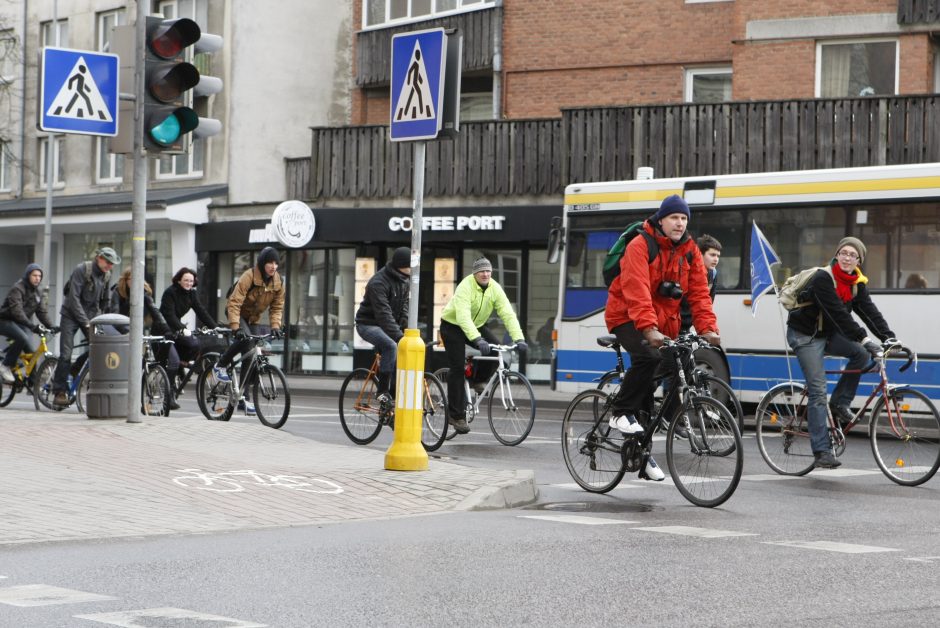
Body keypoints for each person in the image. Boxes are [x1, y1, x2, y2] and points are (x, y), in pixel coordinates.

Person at [605, 195, 720, 481]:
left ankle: (639, 455)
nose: (679, 223)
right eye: (674, 218)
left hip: (661, 322)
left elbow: (699, 294)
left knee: (678, 362)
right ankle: (619, 412)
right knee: (647, 358)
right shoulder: (640, 245)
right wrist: (647, 328)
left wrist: (708, 328)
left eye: (684, 219)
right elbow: (636, 289)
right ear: (662, 219)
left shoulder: (690, 251)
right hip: (627, 316)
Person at [786, 237, 897, 469]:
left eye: (853, 255)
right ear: (837, 254)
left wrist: (889, 336)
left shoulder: (856, 283)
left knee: (862, 355)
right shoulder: (823, 279)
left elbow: (869, 311)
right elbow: (839, 314)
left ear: (859, 261)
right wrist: (865, 338)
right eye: (844, 253)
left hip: (828, 334)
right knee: (818, 390)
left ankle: (839, 403)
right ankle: (822, 451)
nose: (847, 258)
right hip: (805, 336)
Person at [439, 257, 527, 435]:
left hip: (476, 325)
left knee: (496, 349)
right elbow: (463, 317)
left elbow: (507, 313)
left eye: (488, 271)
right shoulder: (465, 286)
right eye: (481, 271)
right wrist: (477, 339)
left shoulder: (495, 288)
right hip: (452, 325)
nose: (485, 274)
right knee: (457, 367)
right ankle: (456, 416)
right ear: (475, 273)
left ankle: (478, 380)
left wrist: (519, 338)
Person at [214, 246, 286, 416]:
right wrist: (235, 327)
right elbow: (234, 302)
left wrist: (275, 326)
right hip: (236, 312)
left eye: (276, 263)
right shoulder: (249, 276)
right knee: (246, 340)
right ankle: (221, 365)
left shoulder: (278, 282)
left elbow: (277, 307)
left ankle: (243, 397)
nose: (273, 266)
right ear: (262, 263)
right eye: (270, 262)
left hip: (253, 318)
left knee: (251, 353)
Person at [53, 247, 120, 407]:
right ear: (99, 258)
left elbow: (105, 301)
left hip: (90, 316)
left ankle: (74, 370)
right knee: (66, 354)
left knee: (98, 348)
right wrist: (85, 321)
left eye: (112, 264)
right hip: (71, 315)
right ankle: (59, 392)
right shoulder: (82, 269)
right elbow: (73, 298)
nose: (110, 266)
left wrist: (104, 318)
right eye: (108, 262)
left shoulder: (107, 275)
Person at [109, 268, 179, 410]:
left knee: (141, 363)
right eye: (131, 280)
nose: (135, 283)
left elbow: (156, 313)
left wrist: (166, 329)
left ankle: (140, 400)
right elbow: (115, 315)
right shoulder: (117, 293)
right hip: (116, 328)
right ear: (125, 280)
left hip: (134, 331)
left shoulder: (144, 294)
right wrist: (128, 330)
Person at [354, 247, 411, 404]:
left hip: (387, 325)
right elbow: (383, 315)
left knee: (402, 351)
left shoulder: (404, 280)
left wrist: (405, 326)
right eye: (411, 265)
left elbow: (405, 304)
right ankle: (383, 391)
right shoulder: (378, 282)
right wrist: (399, 336)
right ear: (401, 265)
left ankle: (391, 404)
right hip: (368, 324)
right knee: (391, 345)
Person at [160, 267, 220, 400]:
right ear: (179, 280)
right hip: (163, 330)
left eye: (191, 281)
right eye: (186, 280)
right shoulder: (170, 292)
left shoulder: (191, 294)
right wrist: (181, 328)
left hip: (177, 330)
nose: (188, 283)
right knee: (173, 362)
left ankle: (182, 365)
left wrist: (215, 327)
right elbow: (168, 315)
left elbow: (201, 311)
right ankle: (168, 397)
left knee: (195, 344)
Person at [0, 263, 57, 384]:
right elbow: (17, 312)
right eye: (34, 275)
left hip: (21, 324)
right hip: (5, 321)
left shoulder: (38, 292)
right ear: (28, 275)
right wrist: (32, 326)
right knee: (23, 337)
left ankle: (32, 383)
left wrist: (52, 326)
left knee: (32, 353)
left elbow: (41, 312)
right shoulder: (18, 288)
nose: (37, 278)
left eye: (39, 276)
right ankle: (5, 365)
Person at [680, 234, 721, 333]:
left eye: (718, 256)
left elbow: (707, 305)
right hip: (673, 323)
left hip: (687, 325)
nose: (716, 259)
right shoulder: (686, 270)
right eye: (712, 255)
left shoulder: (713, 274)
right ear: (700, 254)